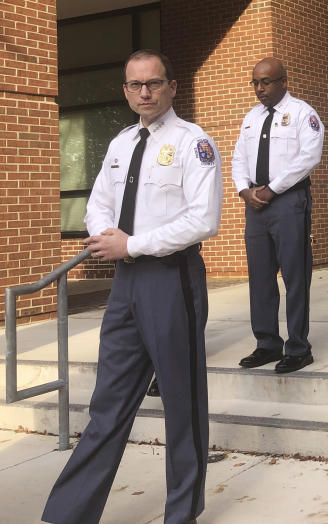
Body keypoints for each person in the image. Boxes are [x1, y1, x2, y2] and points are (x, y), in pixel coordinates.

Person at [42, 50, 222, 524]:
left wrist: (134, 244)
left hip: (172, 279)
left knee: (182, 403)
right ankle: (69, 514)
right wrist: (108, 238)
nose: (144, 92)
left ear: (172, 87)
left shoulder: (193, 143)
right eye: (135, 85)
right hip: (125, 284)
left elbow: (203, 219)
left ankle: (181, 512)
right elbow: (98, 203)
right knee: (108, 402)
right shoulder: (121, 143)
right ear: (125, 90)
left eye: (154, 84)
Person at [232, 58, 324, 374]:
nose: (260, 88)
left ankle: (298, 347)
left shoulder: (302, 114)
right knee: (260, 279)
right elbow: (238, 159)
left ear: (283, 81)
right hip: (255, 205)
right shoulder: (250, 119)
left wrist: (272, 189)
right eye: (255, 82)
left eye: (266, 82)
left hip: (288, 203)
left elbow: (308, 158)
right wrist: (245, 190)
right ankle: (267, 344)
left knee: (295, 277)